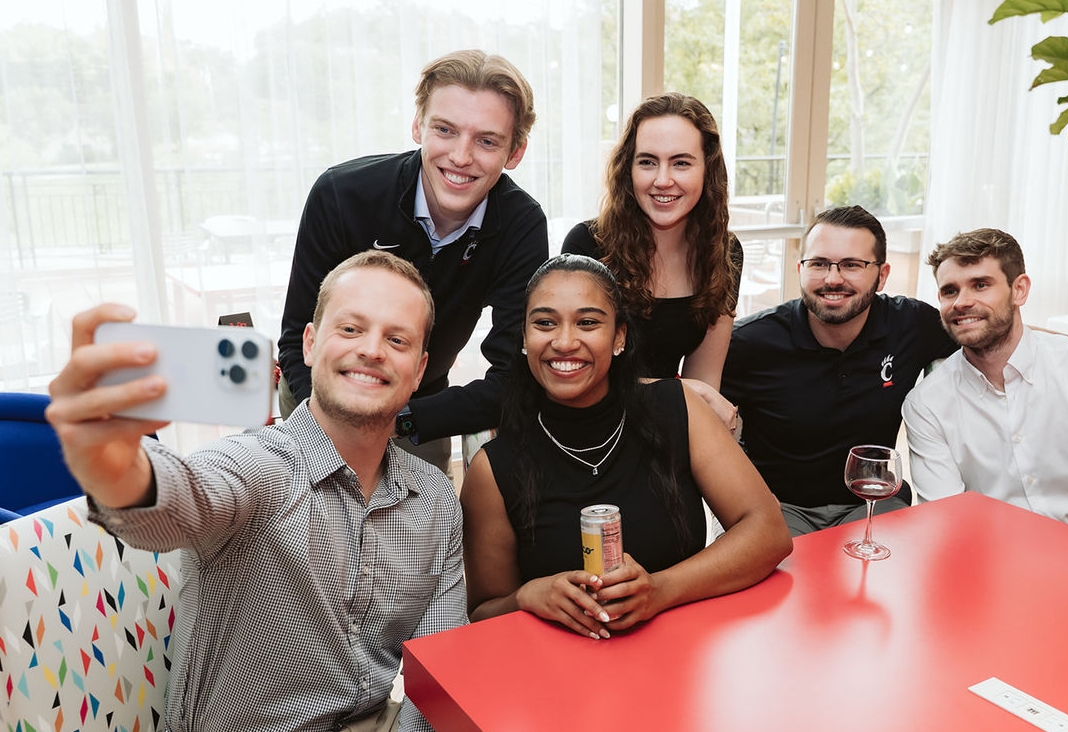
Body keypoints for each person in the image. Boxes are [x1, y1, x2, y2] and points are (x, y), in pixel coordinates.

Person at [45, 251, 466, 732]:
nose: (372, 350)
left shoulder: (435, 498)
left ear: (419, 369)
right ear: (310, 344)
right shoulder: (258, 466)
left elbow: (440, 670)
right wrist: (115, 466)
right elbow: (180, 501)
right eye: (351, 329)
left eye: (396, 339)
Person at [459, 254, 792, 639]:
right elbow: (483, 612)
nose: (564, 342)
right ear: (523, 337)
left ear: (619, 337)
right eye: (545, 323)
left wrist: (661, 590)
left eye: (587, 322)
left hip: (683, 651)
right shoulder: (492, 468)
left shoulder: (678, 408)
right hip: (562, 667)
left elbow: (769, 532)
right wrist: (528, 596)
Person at [279, 49, 548, 474]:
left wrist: (400, 421)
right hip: (319, 397)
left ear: (515, 152)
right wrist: (328, 422)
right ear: (418, 126)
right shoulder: (341, 194)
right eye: (445, 130)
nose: (461, 156)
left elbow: (515, 376)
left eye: (487, 140)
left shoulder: (521, 224)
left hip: (419, 410)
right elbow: (298, 335)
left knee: (427, 513)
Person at [902, 228, 1068, 553]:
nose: (962, 302)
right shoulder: (926, 404)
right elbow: (946, 523)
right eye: (950, 291)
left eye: (981, 285)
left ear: (1019, 290)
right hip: (997, 565)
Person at [720, 206, 959, 536]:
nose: (833, 279)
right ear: (800, 269)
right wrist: (742, 497)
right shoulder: (750, 342)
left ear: (882, 275)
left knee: (902, 561)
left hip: (872, 501)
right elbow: (698, 427)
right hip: (778, 507)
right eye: (819, 264)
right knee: (778, 567)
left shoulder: (912, 325)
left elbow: (983, 339)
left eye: (851, 265)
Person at [562, 92, 742, 428]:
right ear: (628, 169)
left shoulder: (724, 251)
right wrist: (683, 390)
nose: (662, 180)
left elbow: (704, 380)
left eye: (681, 163)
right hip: (589, 423)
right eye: (647, 162)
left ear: (708, 169)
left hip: (665, 420)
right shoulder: (588, 244)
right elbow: (576, 373)